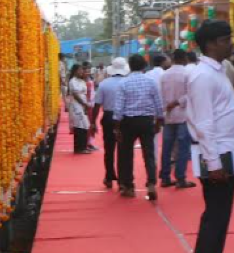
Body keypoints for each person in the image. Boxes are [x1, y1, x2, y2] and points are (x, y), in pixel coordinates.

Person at [186, 21, 234, 253]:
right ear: (210, 44)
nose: (230, 43)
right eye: (225, 40)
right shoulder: (203, 76)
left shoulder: (217, 72)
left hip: (224, 150)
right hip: (217, 153)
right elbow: (204, 122)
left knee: (218, 218)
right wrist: (215, 163)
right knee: (216, 219)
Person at [111, 54, 164, 200]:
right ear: (144, 66)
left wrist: (117, 127)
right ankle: (151, 183)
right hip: (147, 121)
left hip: (128, 122)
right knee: (149, 154)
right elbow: (159, 105)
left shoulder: (124, 83)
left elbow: (118, 108)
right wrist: (159, 122)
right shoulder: (151, 81)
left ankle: (128, 186)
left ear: (130, 66)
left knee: (126, 154)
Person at [160, 49, 195, 189]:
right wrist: (176, 102)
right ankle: (180, 178)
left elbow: (160, 94)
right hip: (183, 115)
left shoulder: (164, 75)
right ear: (185, 58)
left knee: (167, 147)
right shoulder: (188, 74)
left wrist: (166, 106)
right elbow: (190, 95)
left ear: (173, 58)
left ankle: (165, 177)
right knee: (183, 148)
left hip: (168, 115)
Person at [93, 57, 129, 190]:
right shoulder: (127, 82)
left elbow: (97, 105)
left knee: (109, 149)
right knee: (123, 150)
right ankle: (122, 180)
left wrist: (93, 122)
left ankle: (109, 177)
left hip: (108, 117)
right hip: (124, 118)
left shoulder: (104, 84)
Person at [66, 64, 94, 154]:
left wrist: (85, 105)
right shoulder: (72, 81)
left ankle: (83, 146)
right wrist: (84, 104)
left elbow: (85, 94)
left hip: (83, 105)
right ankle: (79, 148)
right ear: (75, 71)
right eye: (80, 70)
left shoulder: (82, 81)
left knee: (85, 125)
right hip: (76, 105)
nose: (82, 72)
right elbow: (75, 95)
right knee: (79, 126)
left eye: (82, 70)